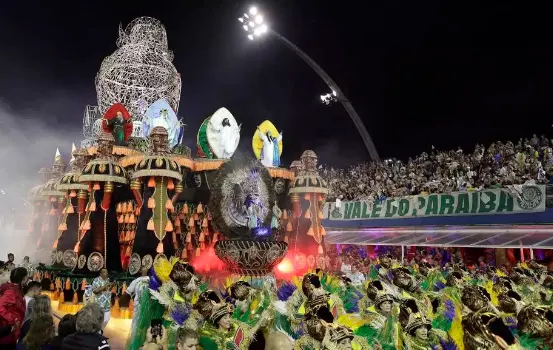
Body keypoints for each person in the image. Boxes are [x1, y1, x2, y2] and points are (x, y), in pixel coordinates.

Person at [0, 267, 28, 348]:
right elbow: (0, 307)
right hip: (8, 331)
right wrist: (12, 320)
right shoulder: (11, 291)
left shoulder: (16, 289)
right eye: (26, 277)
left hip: (12, 330)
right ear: (23, 278)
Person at [126, 267, 149, 336]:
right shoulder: (136, 281)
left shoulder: (151, 280)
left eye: (145, 269)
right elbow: (128, 292)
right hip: (138, 305)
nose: (144, 270)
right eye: (143, 269)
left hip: (148, 306)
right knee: (136, 322)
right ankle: (135, 337)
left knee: (146, 322)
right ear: (140, 271)